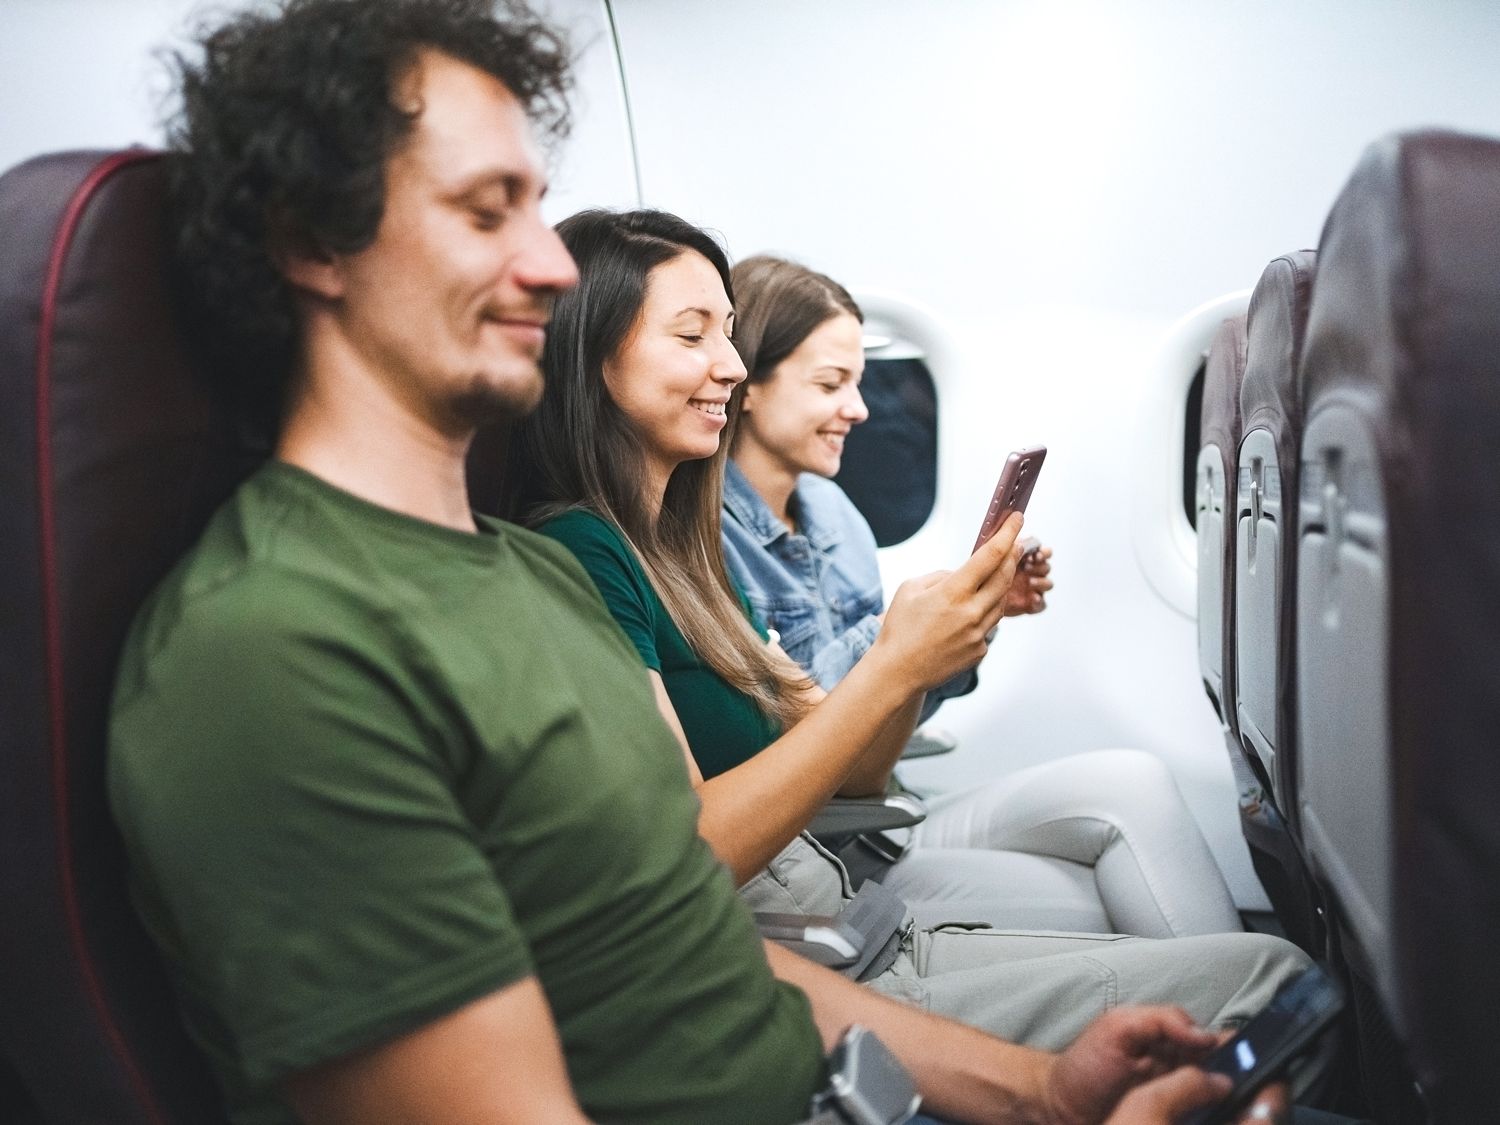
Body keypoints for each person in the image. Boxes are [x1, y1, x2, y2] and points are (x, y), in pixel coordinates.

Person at [107, 1, 1301, 1121]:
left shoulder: (533, 574)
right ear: (313, 241)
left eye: (537, 211)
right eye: (484, 212)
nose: (552, 268)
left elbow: (699, 944)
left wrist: (1042, 1092)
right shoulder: (274, 649)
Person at [501, 206, 1317, 1055]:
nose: (731, 366)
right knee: (1273, 980)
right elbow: (687, 854)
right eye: (691, 334)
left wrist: (930, 650)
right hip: (803, 953)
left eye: (731, 334)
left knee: (1261, 960)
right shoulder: (584, 551)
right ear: (593, 357)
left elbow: (859, 769)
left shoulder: (688, 555)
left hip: (847, 918)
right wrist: (897, 661)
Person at [720, 254, 1242, 939]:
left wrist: (974, 616)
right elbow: (809, 728)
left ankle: (1255, 997)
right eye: (830, 383)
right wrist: (907, 631)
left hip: (884, 811)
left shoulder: (835, 513)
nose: (860, 408)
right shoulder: (708, 538)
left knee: (1135, 779)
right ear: (747, 385)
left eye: (859, 381)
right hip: (821, 843)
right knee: (1104, 894)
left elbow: (890, 709)